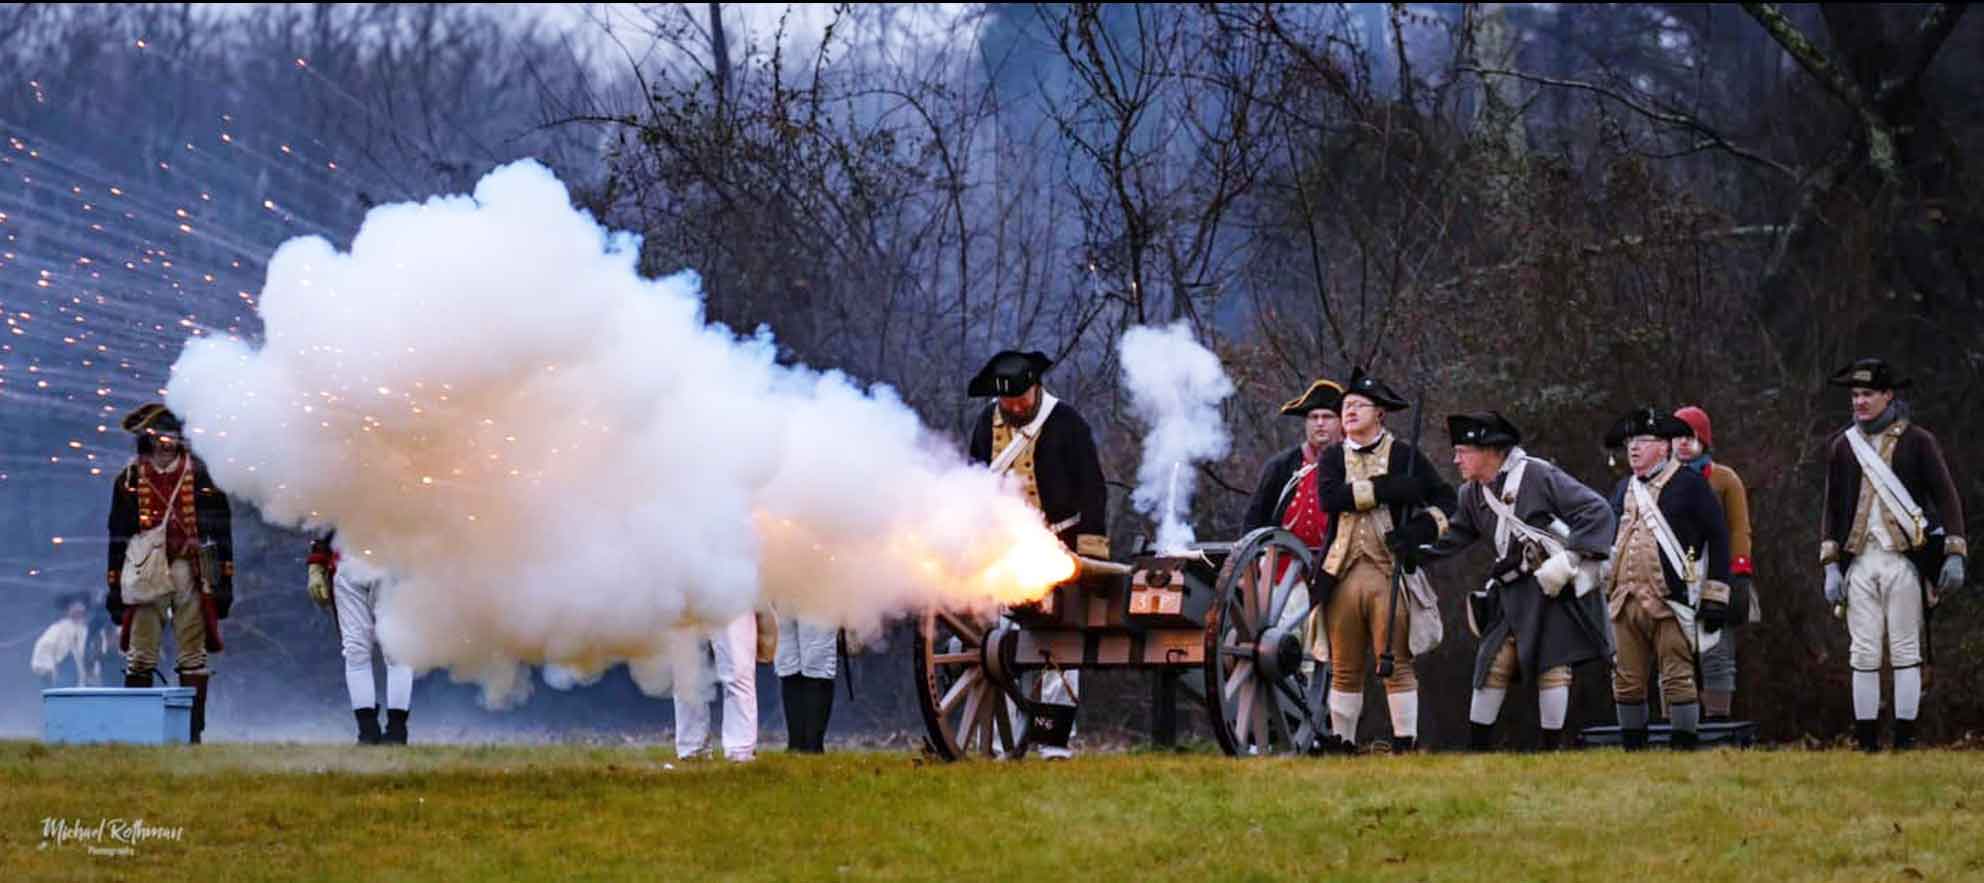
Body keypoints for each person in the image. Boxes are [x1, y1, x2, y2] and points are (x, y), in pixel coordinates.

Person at [1421, 412, 1617, 751]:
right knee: (1491, 663)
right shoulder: (1472, 493)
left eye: (1463, 451)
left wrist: (1568, 560)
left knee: (1554, 665)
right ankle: (1477, 751)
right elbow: (1455, 534)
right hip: (1510, 593)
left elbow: (1597, 511)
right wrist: (1416, 547)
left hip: (1551, 588)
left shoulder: (1538, 475)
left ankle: (1550, 750)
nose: (1456, 460)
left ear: (1490, 451)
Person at [1819, 358, 1967, 751]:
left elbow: (1946, 497)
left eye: (1868, 394)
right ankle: (1866, 742)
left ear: (1888, 396)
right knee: (1863, 653)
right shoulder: (1842, 446)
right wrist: (1831, 566)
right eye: (1855, 395)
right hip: (1860, 561)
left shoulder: (1918, 441)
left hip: (1905, 560)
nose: (1860, 402)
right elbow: (1832, 510)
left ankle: (1904, 741)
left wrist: (1955, 551)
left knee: (1905, 651)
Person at [966, 349, 1109, 759]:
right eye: (1007, 404)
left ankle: (1052, 741)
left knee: (1059, 648)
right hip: (1000, 549)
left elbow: (1092, 489)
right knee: (1001, 649)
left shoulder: (1067, 423)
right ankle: (1002, 740)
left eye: (1021, 402)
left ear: (1036, 388)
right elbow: (973, 481)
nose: (1014, 409)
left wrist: (1089, 553)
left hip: (1057, 544)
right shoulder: (984, 425)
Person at [1312, 367, 1458, 753]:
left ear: (1381, 413)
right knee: (1343, 668)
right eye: (1346, 406)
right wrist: (1389, 488)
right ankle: (1343, 742)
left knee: (1396, 662)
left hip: (1389, 571)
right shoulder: (1331, 458)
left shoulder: (1406, 456)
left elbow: (1447, 503)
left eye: (1359, 405)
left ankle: (1404, 743)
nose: (1350, 411)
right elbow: (1331, 499)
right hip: (1340, 574)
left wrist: (1418, 532)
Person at [1601, 407, 1730, 751]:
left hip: (1671, 598)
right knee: (1626, 680)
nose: (1634, 448)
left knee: (1677, 678)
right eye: (1631, 441)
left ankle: (1683, 749)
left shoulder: (1690, 484)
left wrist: (1716, 596)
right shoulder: (1622, 488)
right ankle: (1634, 750)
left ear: (1664, 446)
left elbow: (1718, 537)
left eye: (1643, 440)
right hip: (1624, 599)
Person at [105, 402, 234, 743]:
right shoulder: (129, 479)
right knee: (141, 654)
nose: (167, 442)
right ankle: (136, 734)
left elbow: (222, 530)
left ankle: (192, 734)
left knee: (193, 654)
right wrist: (115, 588)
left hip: (190, 571)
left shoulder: (202, 474)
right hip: (146, 572)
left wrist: (223, 582)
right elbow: (117, 537)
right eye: (161, 436)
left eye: (172, 435)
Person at [1673, 406, 1755, 723]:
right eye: (1677, 436)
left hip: (1715, 573)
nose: (1683, 444)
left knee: (1716, 652)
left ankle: (1718, 721)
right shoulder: (1658, 478)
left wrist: (1739, 575)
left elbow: (1739, 528)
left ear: (1703, 441)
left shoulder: (1724, 479)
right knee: (1673, 654)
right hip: (1673, 575)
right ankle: (1677, 723)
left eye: (1690, 437)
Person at [307, 531, 415, 745]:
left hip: (393, 561)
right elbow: (325, 512)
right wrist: (316, 564)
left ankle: (396, 730)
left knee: (397, 650)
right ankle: (367, 731)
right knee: (355, 651)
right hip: (347, 562)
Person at [672, 609, 772, 762]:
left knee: (738, 672)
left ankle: (740, 753)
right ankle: (692, 750)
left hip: (732, 593)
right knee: (686, 675)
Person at [774, 608, 840, 753]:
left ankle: (813, 747)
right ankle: (796, 745)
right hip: (781, 593)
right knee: (788, 664)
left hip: (818, 593)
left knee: (817, 664)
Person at [31, 594, 97, 688]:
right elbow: (44, 646)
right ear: (68, 610)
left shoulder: (86, 630)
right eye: (74, 607)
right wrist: (47, 668)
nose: (78, 611)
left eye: (81, 608)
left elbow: (92, 654)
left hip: (83, 682)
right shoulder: (59, 629)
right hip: (64, 677)